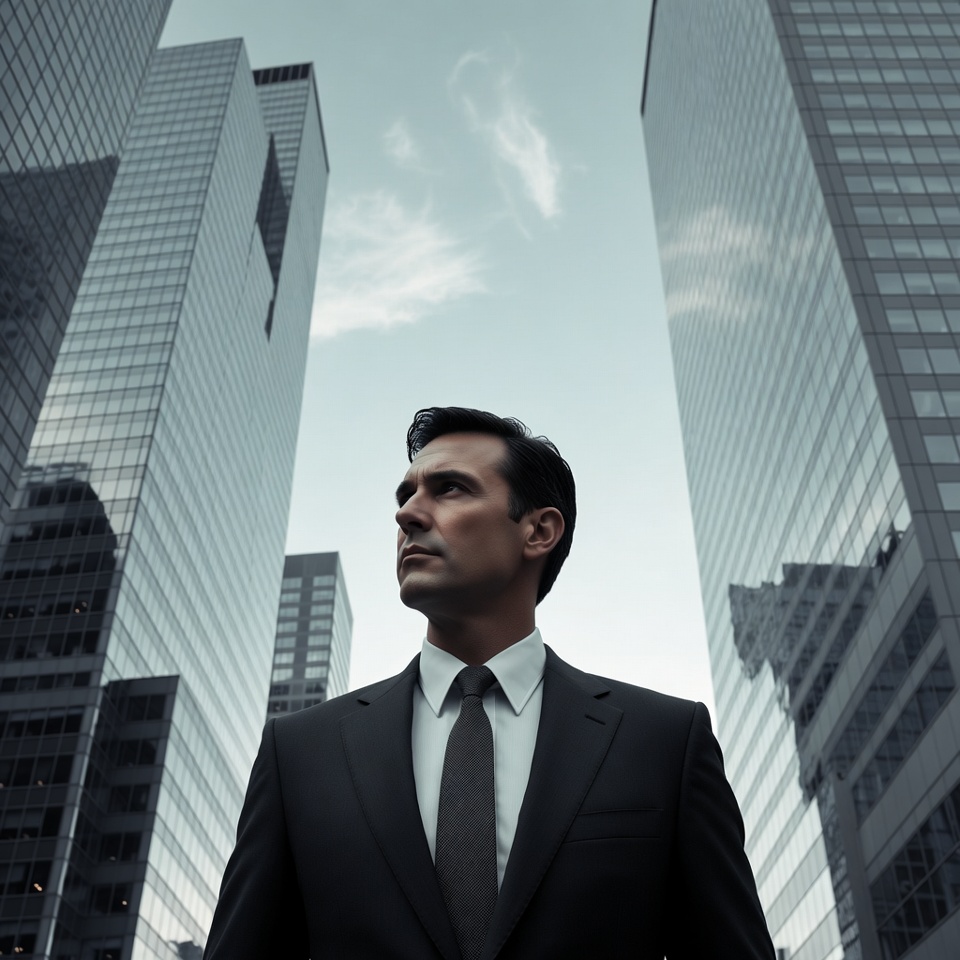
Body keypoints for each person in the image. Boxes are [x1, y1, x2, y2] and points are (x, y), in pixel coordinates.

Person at [204, 406, 776, 960]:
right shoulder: (301, 753)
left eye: (449, 488)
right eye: (406, 495)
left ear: (539, 530)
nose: (407, 515)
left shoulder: (664, 742)